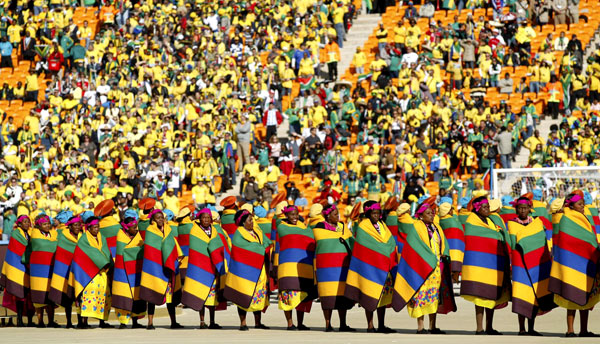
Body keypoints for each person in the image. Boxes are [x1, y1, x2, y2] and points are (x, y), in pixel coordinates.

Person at [394, 198, 455, 334]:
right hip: (422, 267)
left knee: (434, 297)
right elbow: (414, 247)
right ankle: (420, 327)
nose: (432, 215)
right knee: (420, 296)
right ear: (421, 215)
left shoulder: (437, 227)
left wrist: (444, 253)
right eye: (428, 213)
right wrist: (428, 259)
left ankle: (432, 326)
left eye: (432, 213)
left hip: (436, 268)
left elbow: (443, 242)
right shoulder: (416, 227)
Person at [549, 190, 600, 337]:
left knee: (586, 298)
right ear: (571, 206)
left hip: (585, 264)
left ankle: (584, 330)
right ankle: (570, 330)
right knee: (571, 297)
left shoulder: (584, 218)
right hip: (571, 264)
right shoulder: (566, 219)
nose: (583, 206)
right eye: (579, 204)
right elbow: (567, 242)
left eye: (583, 204)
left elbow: (588, 238)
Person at [345, 200, 397, 333]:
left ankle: (381, 325)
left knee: (383, 299)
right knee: (369, 296)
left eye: (378, 212)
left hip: (384, 268)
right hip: (370, 268)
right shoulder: (363, 227)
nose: (376, 215)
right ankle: (370, 325)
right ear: (368, 213)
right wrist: (382, 250)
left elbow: (390, 241)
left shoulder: (382, 225)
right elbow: (364, 248)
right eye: (373, 213)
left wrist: (386, 251)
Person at [461, 197, 511, 335]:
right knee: (480, 296)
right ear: (477, 208)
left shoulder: (491, 220)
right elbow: (476, 238)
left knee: (491, 296)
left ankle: (489, 327)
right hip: (478, 264)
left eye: (488, 207)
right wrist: (495, 235)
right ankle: (479, 328)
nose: (488, 209)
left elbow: (499, 236)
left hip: (493, 263)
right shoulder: (472, 220)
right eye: (485, 207)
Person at [506, 195, 555, 336]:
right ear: (516, 209)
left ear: (529, 209)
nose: (522, 211)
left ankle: (531, 328)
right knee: (522, 295)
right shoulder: (512, 224)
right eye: (520, 208)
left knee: (534, 295)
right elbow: (513, 245)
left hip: (535, 265)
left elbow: (542, 243)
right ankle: (521, 328)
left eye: (525, 208)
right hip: (519, 265)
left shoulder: (537, 223)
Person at [181, 208, 229, 329]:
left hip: (213, 268)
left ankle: (212, 321)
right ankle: (202, 321)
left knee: (212, 297)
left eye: (208, 218)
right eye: (204, 218)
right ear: (199, 219)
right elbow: (196, 251)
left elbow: (218, 246)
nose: (206, 220)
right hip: (200, 268)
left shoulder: (214, 231)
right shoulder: (194, 231)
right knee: (200, 294)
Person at [224, 209, 271, 331]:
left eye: (252, 219)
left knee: (259, 296)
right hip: (244, 272)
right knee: (243, 296)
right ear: (243, 222)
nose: (252, 221)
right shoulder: (239, 234)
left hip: (259, 269)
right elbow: (243, 248)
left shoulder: (257, 231)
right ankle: (243, 323)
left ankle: (258, 322)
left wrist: (263, 247)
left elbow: (266, 242)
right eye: (250, 220)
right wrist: (260, 248)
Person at [313, 203, 356, 332]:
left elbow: (350, 241)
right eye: (335, 214)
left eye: (338, 213)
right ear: (327, 216)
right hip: (326, 267)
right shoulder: (319, 228)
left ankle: (343, 324)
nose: (338, 216)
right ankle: (328, 324)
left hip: (343, 266)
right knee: (328, 295)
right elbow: (320, 242)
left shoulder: (343, 227)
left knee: (343, 295)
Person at [139, 209, 184, 330]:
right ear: (153, 220)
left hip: (168, 268)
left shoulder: (168, 230)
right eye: (158, 218)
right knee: (152, 297)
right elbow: (151, 251)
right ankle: (150, 323)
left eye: (162, 218)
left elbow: (172, 244)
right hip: (155, 268)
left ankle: (173, 322)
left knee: (170, 298)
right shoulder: (150, 231)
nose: (160, 220)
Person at [276, 205, 316, 330]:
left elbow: (310, 237)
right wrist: (306, 232)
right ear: (286, 216)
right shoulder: (282, 226)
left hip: (302, 267)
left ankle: (300, 323)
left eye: (296, 214)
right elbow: (302, 234)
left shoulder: (303, 227)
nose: (295, 217)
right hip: (287, 267)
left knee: (302, 295)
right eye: (292, 215)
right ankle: (289, 323)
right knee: (288, 294)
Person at [69, 216, 113, 328]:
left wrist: (107, 263)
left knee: (103, 297)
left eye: (98, 227)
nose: (97, 229)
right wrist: (99, 261)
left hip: (102, 273)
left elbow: (105, 252)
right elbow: (83, 256)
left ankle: (102, 322)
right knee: (87, 298)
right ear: (88, 228)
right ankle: (84, 322)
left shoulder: (102, 237)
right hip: (88, 274)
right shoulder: (84, 239)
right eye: (94, 227)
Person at [112, 211, 146, 329]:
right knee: (124, 295)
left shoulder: (138, 237)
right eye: (133, 227)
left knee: (136, 296)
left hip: (136, 271)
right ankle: (123, 322)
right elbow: (123, 253)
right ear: (126, 228)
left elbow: (140, 251)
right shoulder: (120, 237)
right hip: (123, 272)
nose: (136, 229)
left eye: (136, 227)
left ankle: (135, 322)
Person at [0, 215, 34, 327]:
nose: (27, 224)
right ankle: (19, 320)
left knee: (27, 295)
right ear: (19, 224)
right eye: (24, 222)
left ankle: (29, 320)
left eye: (28, 222)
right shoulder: (16, 234)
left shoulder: (28, 234)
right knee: (19, 294)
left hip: (26, 268)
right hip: (17, 267)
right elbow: (22, 249)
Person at [49, 215, 82, 329]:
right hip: (66, 271)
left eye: (79, 225)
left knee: (80, 298)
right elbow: (61, 254)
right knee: (68, 298)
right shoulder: (64, 237)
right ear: (70, 226)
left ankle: (81, 321)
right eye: (75, 225)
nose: (78, 227)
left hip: (80, 272)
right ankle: (69, 322)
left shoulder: (83, 237)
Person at [29, 214, 59, 328]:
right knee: (39, 295)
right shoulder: (35, 233)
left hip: (51, 267)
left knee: (50, 295)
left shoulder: (54, 233)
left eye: (48, 224)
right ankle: (40, 321)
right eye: (44, 224)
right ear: (39, 225)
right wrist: (53, 243)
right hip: (38, 269)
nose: (47, 226)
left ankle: (51, 321)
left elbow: (56, 244)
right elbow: (44, 244)